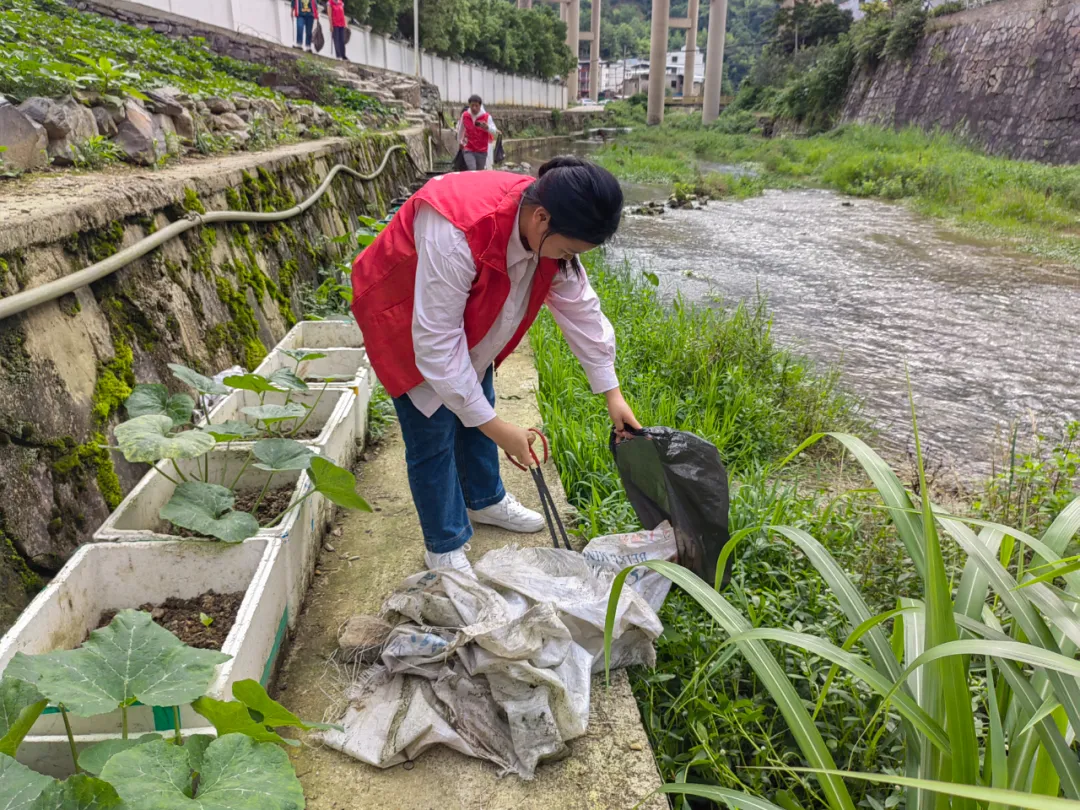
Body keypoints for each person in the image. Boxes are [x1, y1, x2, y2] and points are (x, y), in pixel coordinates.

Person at [350, 157, 641, 576]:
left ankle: (484, 499)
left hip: (463, 315)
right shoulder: (457, 230)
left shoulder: (545, 225)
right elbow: (435, 345)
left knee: (477, 390)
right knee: (431, 431)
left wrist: (612, 392)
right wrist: (499, 428)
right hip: (403, 309)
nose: (568, 260)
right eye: (569, 250)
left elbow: (581, 309)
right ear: (541, 219)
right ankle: (444, 544)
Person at [456, 95, 496, 171]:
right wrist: (460, 142)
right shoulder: (465, 115)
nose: (474, 108)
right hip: (468, 148)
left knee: (479, 172)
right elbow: (461, 129)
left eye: (476, 106)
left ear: (480, 106)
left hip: (482, 150)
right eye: (472, 105)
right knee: (472, 169)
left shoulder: (487, 117)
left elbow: (494, 131)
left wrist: (487, 128)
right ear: (469, 105)